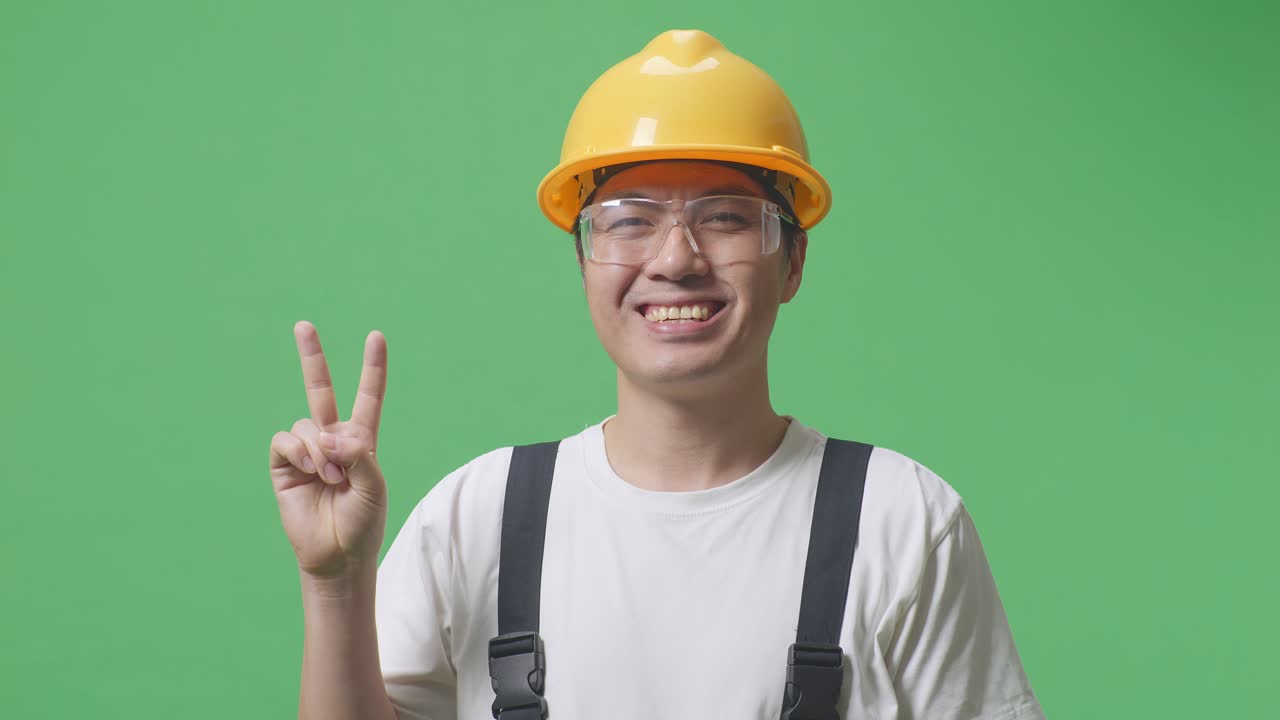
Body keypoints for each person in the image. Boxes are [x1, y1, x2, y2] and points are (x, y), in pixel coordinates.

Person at [268, 29, 1046, 720]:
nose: (676, 259)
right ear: (583, 263)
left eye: (726, 216)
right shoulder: (476, 518)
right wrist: (335, 586)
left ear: (794, 261)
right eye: (631, 218)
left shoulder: (902, 523)